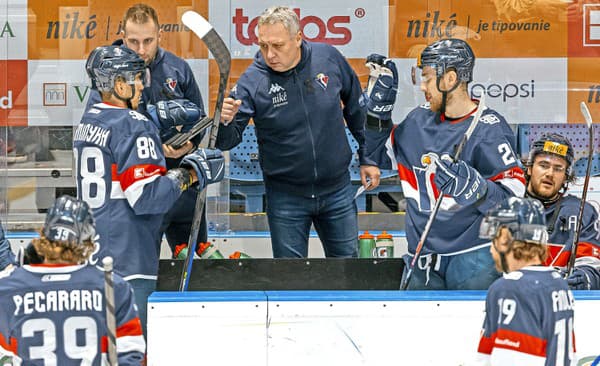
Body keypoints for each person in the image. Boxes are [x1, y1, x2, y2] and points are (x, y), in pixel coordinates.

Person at [76, 45, 225, 336]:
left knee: (104, 348)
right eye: (136, 78)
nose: (143, 84)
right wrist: (190, 173)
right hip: (129, 259)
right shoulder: (135, 126)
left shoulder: (88, 120)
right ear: (119, 84)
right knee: (133, 350)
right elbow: (147, 198)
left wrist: (152, 118)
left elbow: (116, 147)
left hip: (94, 255)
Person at [216, 6, 380, 258]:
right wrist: (224, 121)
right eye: (263, 46)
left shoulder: (328, 58)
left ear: (298, 38)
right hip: (286, 198)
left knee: (348, 275)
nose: (270, 54)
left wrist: (368, 157)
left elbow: (358, 111)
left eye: (278, 45)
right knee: (290, 283)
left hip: (337, 190)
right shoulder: (252, 81)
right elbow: (226, 142)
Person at [365, 38, 525, 289]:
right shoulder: (417, 121)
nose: (423, 86)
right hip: (423, 257)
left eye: (427, 77)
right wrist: (376, 116)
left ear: (450, 79)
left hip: (474, 257)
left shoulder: (488, 129)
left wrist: (476, 190)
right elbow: (376, 157)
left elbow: (514, 207)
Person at [86, 3, 211, 258]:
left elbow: (199, 117)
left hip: (180, 181)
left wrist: (190, 144)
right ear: (123, 35)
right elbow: (99, 129)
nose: (141, 50)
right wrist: (153, 139)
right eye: (133, 41)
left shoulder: (178, 68)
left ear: (160, 36)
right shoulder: (107, 72)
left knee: (194, 267)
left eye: (148, 41)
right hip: (134, 191)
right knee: (141, 269)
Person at [0, 195, 146, 365]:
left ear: (44, 235)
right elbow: (131, 353)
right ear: (88, 242)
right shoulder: (113, 286)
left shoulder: (7, 287)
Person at [476, 197, 576, 365]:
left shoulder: (510, 288)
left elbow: (516, 358)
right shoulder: (558, 283)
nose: (491, 249)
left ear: (505, 239)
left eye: (494, 239)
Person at [525, 133, 600, 289]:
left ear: (566, 177)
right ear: (530, 168)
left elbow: (592, 267)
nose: (550, 174)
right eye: (544, 165)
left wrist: (584, 278)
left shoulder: (581, 212)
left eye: (558, 168)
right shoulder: (507, 205)